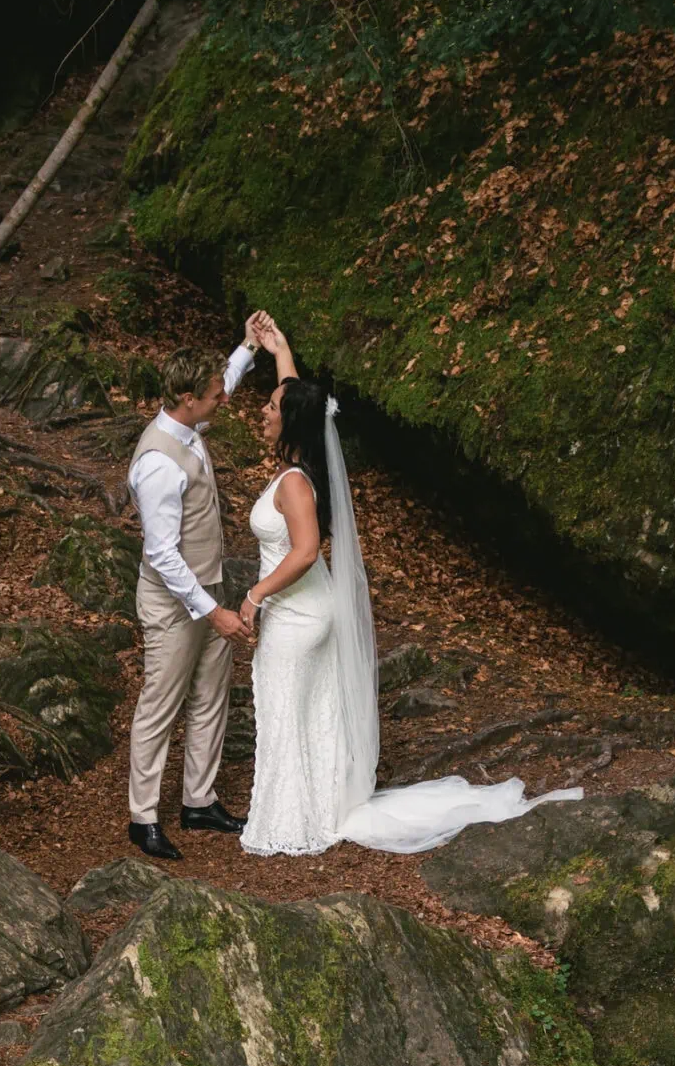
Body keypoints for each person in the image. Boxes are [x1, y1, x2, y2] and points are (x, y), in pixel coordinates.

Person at [238, 310, 583, 857]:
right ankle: (314, 803)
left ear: (292, 424)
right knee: (306, 707)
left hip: (299, 615)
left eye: (271, 408)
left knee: (287, 707)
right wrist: (279, 348)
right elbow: (295, 395)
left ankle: (290, 821)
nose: (263, 410)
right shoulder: (301, 455)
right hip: (307, 610)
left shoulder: (296, 486)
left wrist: (255, 595)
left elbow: (305, 552)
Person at [124, 344, 256, 862]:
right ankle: (144, 818)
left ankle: (198, 800)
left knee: (209, 697)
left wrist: (246, 347)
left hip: (208, 594)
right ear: (186, 399)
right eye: (215, 394)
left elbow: (221, 380)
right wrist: (214, 610)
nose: (225, 398)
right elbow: (161, 555)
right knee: (160, 707)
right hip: (175, 603)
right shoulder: (159, 461)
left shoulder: (188, 426)